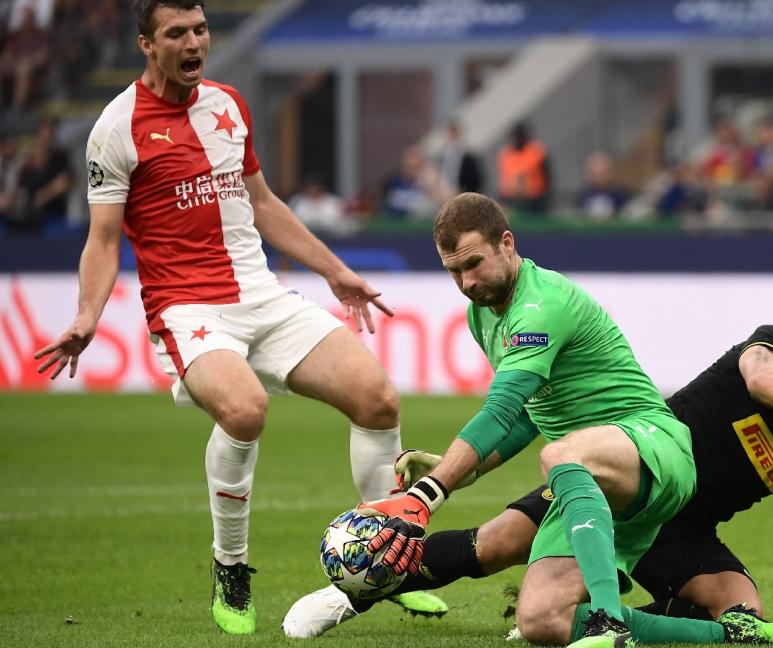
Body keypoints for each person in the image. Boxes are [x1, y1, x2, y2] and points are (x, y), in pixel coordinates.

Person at [31, 0, 438, 634]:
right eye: (176, 33)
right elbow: (104, 240)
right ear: (146, 43)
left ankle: (386, 561)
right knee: (246, 409)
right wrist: (87, 315)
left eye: (200, 29)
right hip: (186, 307)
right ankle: (231, 566)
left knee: (378, 398)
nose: (194, 42)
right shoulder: (116, 127)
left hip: (262, 296)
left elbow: (262, 202)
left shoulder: (227, 104)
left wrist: (333, 270)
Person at [321, 192, 773, 647]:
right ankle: (734, 635)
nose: (467, 282)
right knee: (541, 621)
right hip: (590, 483)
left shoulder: (541, 304)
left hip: (655, 445)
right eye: (454, 272)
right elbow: (526, 419)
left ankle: (608, 620)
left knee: (559, 453)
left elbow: (501, 408)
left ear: (507, 244)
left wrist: (427, 496)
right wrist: (453, 468)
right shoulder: (483, 315)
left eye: (474, 263)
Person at [290, 290, 773, 639]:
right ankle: (355, 591)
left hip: (684, 525)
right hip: (630, 472)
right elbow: (758, 379)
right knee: (495, 545)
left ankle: (595, 615)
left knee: (742, 617)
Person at [497, 122, 550, 214]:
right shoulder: (505, 154)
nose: (517, 140)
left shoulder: (536, 152)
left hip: (534, 201)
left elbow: (547, 177)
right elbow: (504, 180)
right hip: (510, 200)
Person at [437, 120, 484, 194]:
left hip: (463, 196)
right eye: (450, 135)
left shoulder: (469, 158)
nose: (452, 138)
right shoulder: (442, 158)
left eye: (454, 134)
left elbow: (477, 181)